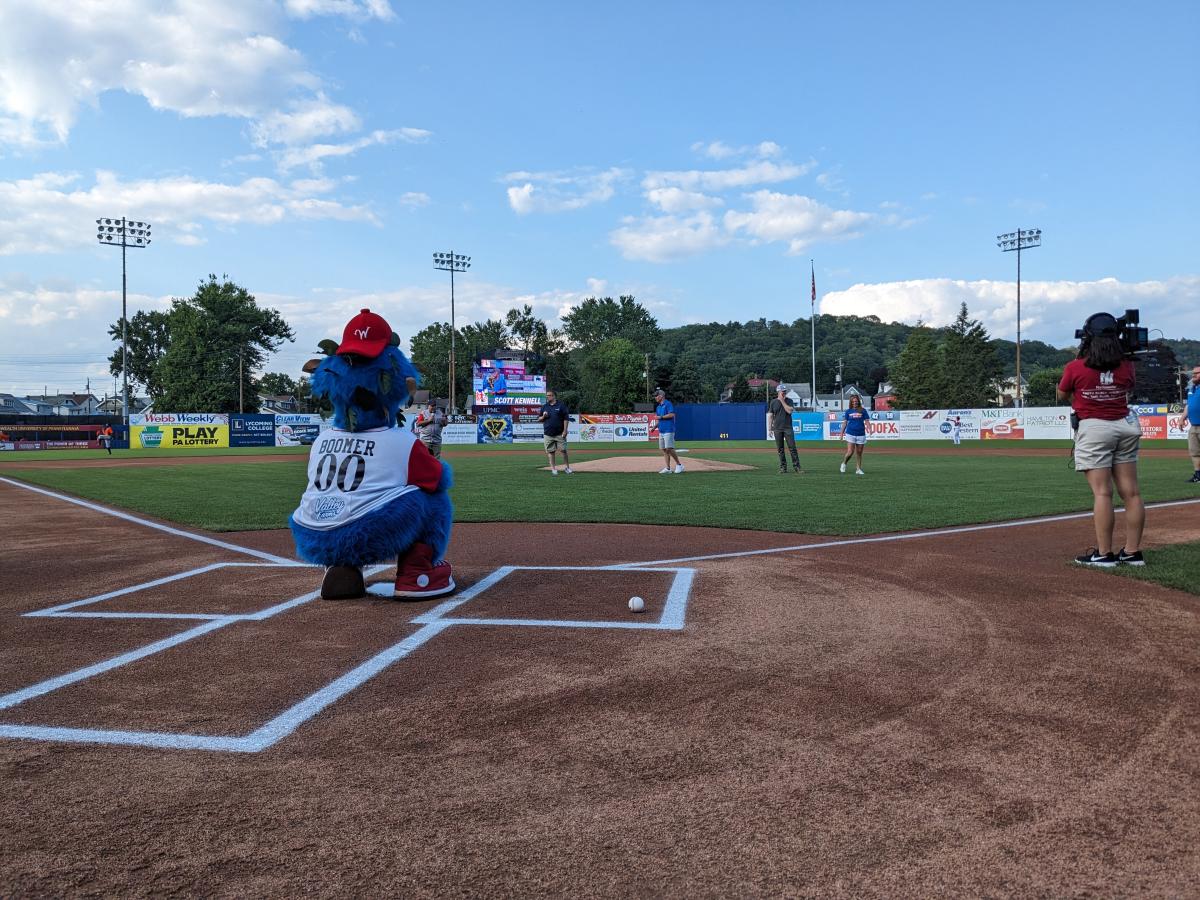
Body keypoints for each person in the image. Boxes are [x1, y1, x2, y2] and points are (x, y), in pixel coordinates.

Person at [1057, 312, 1145, 567]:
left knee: (1103, 493)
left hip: (1095, 429)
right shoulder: (1126, 365)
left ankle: (1104, 554)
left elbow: (1062, 394)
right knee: (1132, 493)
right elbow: (1127, 387)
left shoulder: (1075, 367)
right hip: (1124, 426)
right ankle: (1132, 552)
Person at [769, 385, 803, 474]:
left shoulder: (789, 401)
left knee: (792, 448)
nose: (784, 392)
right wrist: (769, 429)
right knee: (780, 449)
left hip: (788, 428)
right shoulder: (773, 402)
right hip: (777, 428)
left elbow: (789, 411)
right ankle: (783, 468)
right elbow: (771, 415)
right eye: (782, 391)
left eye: (785, 391)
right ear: (778, 392)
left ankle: (797, 467)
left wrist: (782, 401)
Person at [538, 388, 573, 475]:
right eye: (546, 396)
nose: (547, 397)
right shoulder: (544, 406)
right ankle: (553, 469)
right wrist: (543, 417)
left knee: (563, 451)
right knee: (551, 451)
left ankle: (567, 468)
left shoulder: (561, 406)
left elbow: (566, 419)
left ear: (553, 396)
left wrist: (565, 430)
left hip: (559, 433)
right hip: (548, 434)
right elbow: (539, 419)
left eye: (549, 395)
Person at [839, 395, 870, 475]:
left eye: (856, 401)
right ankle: (844, 463)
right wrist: (841, 434)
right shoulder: (848, 411)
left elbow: (866, 421)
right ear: (851, 403)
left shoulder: (863, 410)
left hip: (861, 434)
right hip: (850, 433)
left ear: (858, 402)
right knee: (850, 452)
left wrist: (869, 428)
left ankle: (858, 469)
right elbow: (845, 423)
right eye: (853, 401)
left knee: (859, 452)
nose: (855, 403)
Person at [655, 387, 684, 474]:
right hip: (662, 430)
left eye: (656, 396)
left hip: (669, 429)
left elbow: (672, 414)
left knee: (669, 448)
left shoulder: (668, 404)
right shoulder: (658, 407)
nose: (655, 397)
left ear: (661, 396)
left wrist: (661, 417)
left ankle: (679, 465)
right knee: (664, 449)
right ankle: (668, 468)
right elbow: (659, 419)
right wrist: (654, 427)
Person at [1187, 365, 1200, 484]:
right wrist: (1182, 418)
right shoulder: (1191, 388)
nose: (1194, 375)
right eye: (1193, 373)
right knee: (1194, 452)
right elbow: (1189, 405)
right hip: (1193, 426)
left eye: (1197, 373)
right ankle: (1198, 476)